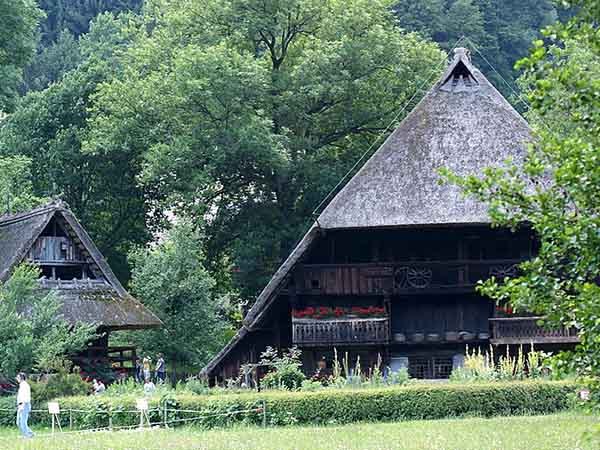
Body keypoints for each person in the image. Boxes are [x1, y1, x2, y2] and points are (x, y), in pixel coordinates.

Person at [16, 372, 34, 438]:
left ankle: (27, 436)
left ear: (21, 378)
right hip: (21, 405)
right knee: (18, 422)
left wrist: (22, 406)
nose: (16, 378)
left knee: (23, 422)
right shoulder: (22, 385)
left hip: (24, 405)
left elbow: (25, 397)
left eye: (17, 377)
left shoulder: (25, 385)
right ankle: (29, 433)